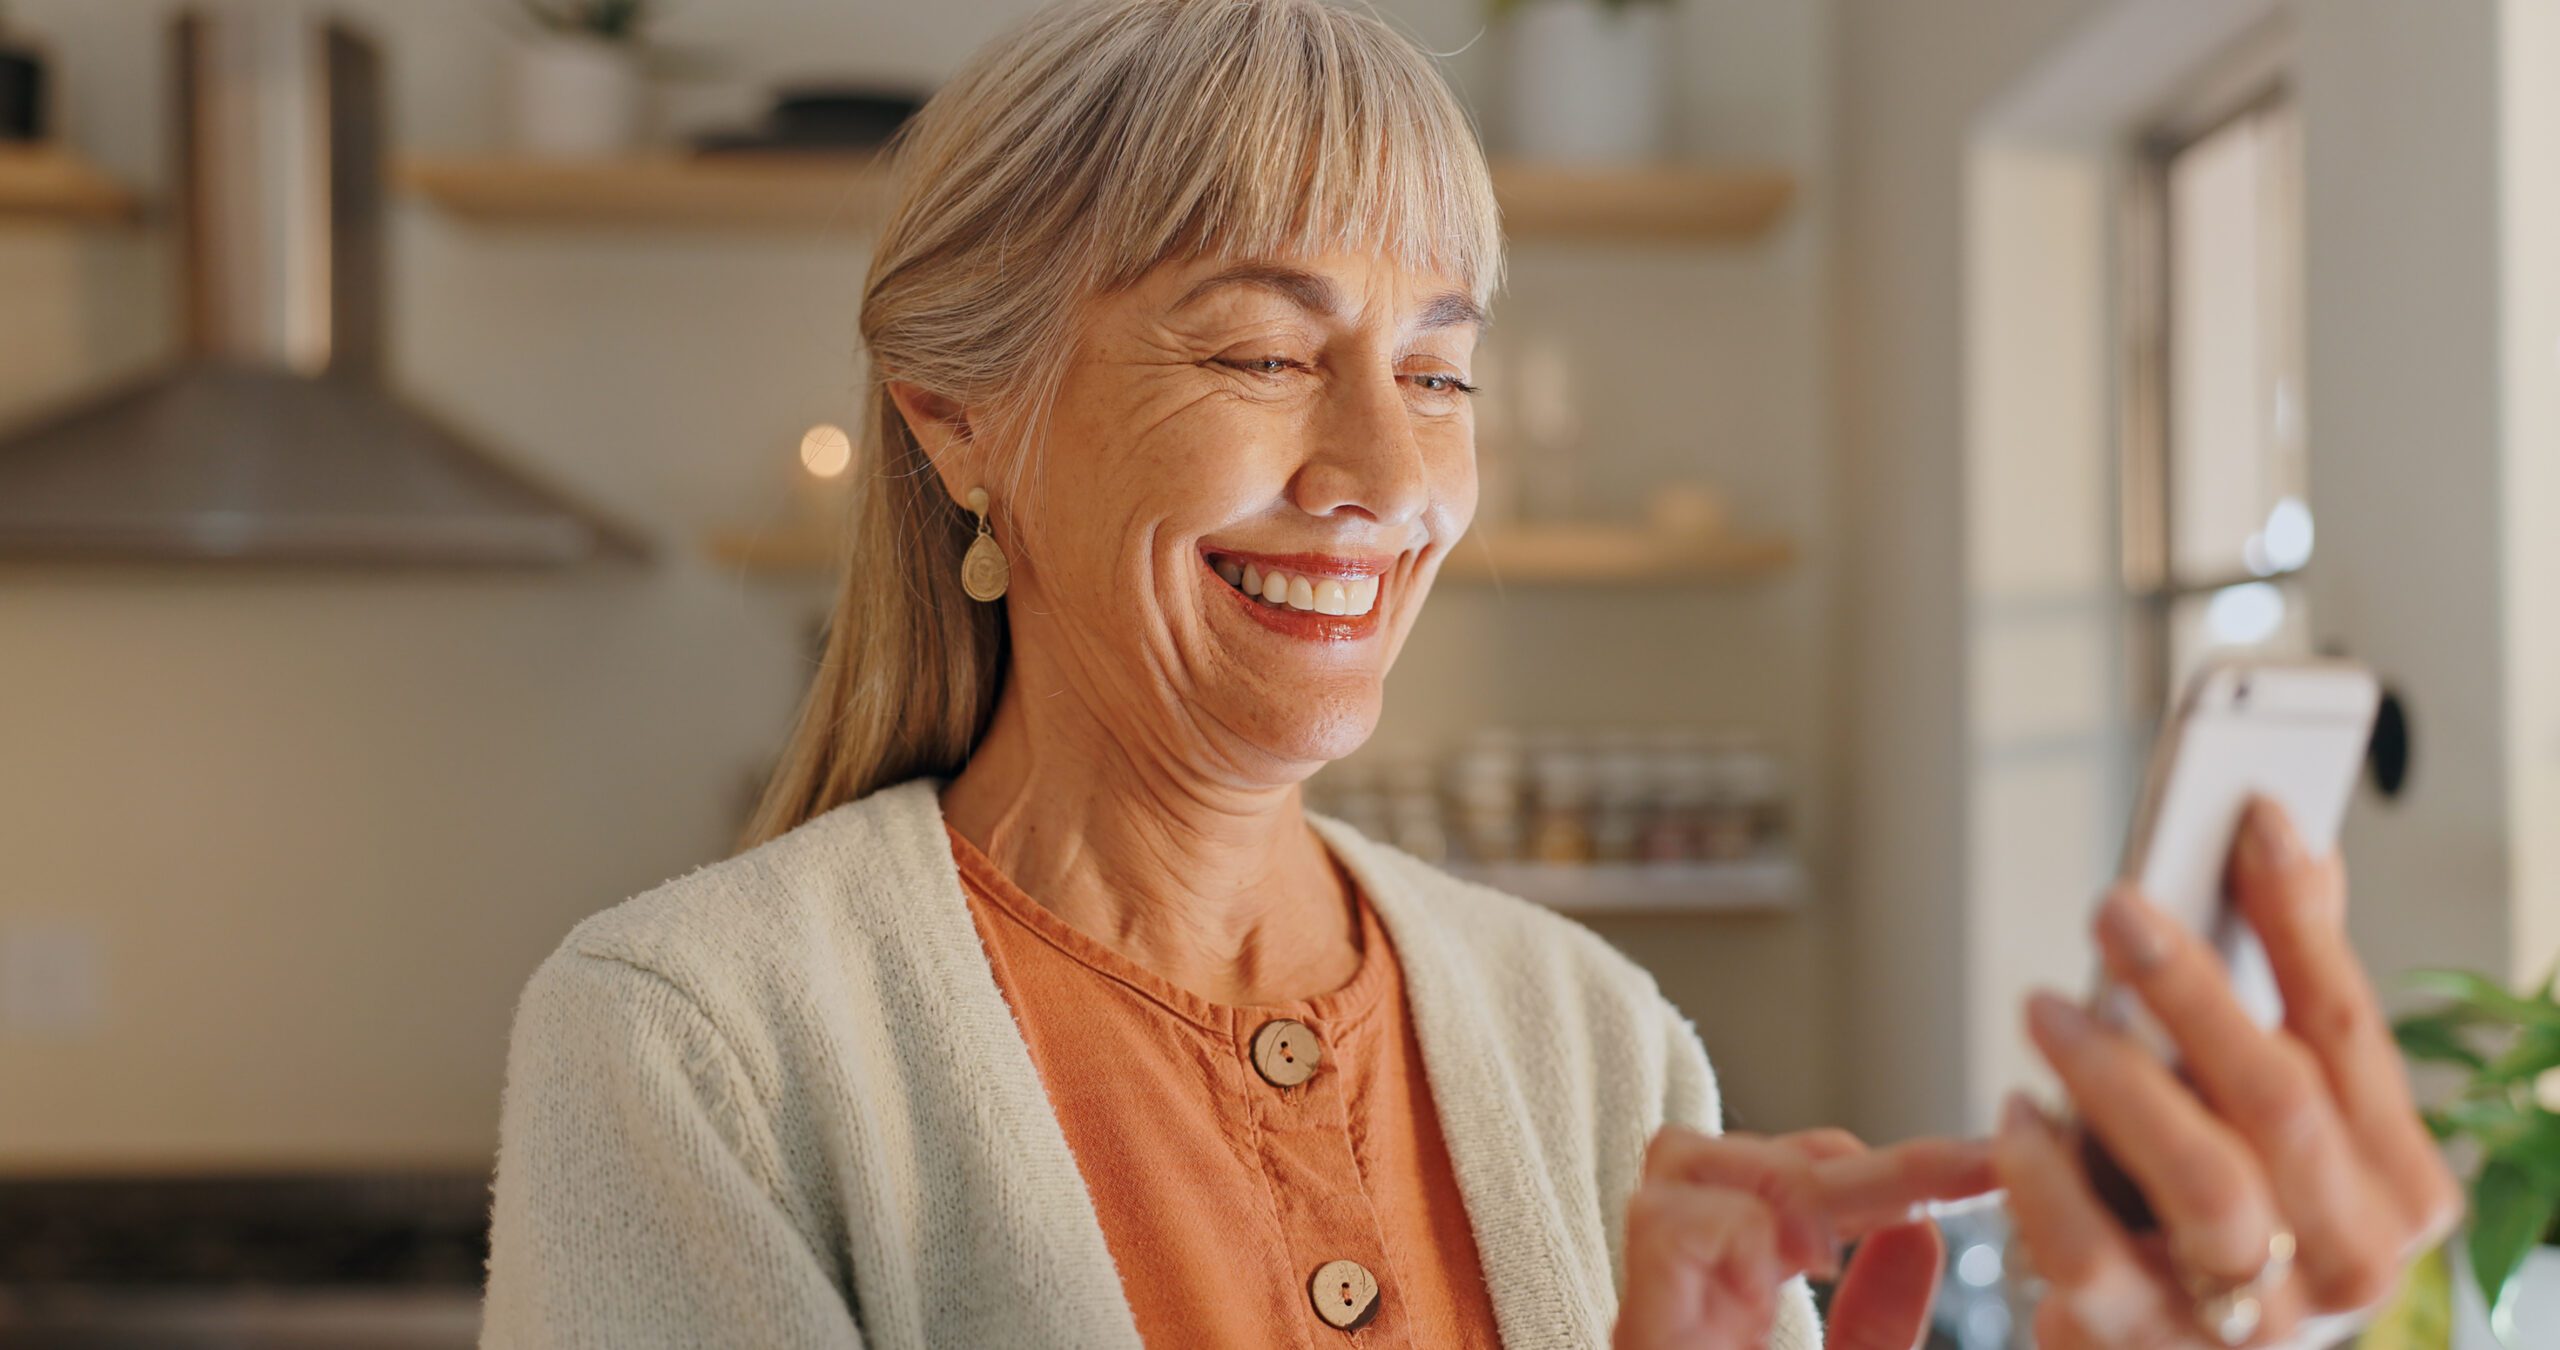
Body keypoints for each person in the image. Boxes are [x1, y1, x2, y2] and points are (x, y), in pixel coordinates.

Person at [478, 1, 2457, 1346]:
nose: (1383, 477)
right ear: (956, 422)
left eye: (1438, 370)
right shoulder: (696, 1047)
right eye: (1261, 354)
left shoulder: (1593, 1038)